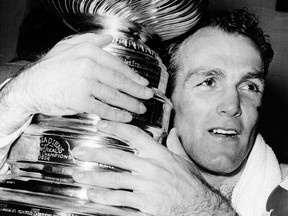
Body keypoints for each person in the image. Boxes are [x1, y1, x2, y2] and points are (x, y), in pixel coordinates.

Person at [0, 7, 286, 216]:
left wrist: (200, 208)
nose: (232, 106)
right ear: (165, 100)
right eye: (208, 81)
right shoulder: (99, 165)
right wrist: (16, 97)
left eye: (249, 86)